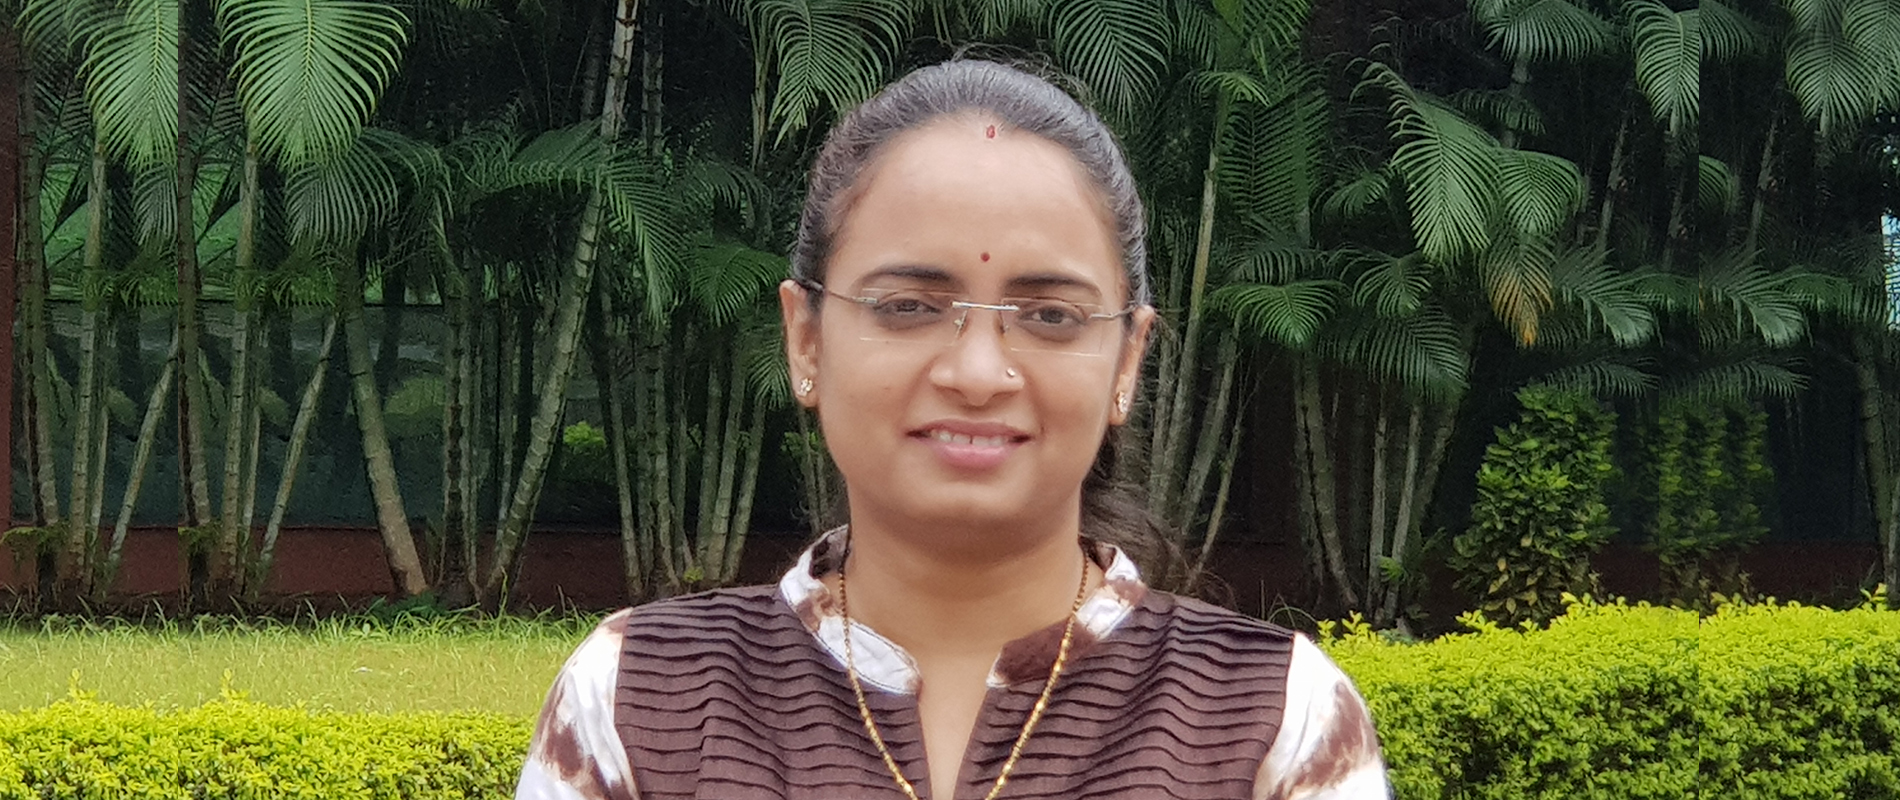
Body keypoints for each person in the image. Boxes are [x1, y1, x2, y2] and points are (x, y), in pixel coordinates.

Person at [516, 59, 1389, 800]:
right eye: (907, 306)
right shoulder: (644, 699)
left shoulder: (1268, 721)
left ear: (1127, 361)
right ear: (806, 338)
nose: (977, 373)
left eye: (1049, 314)